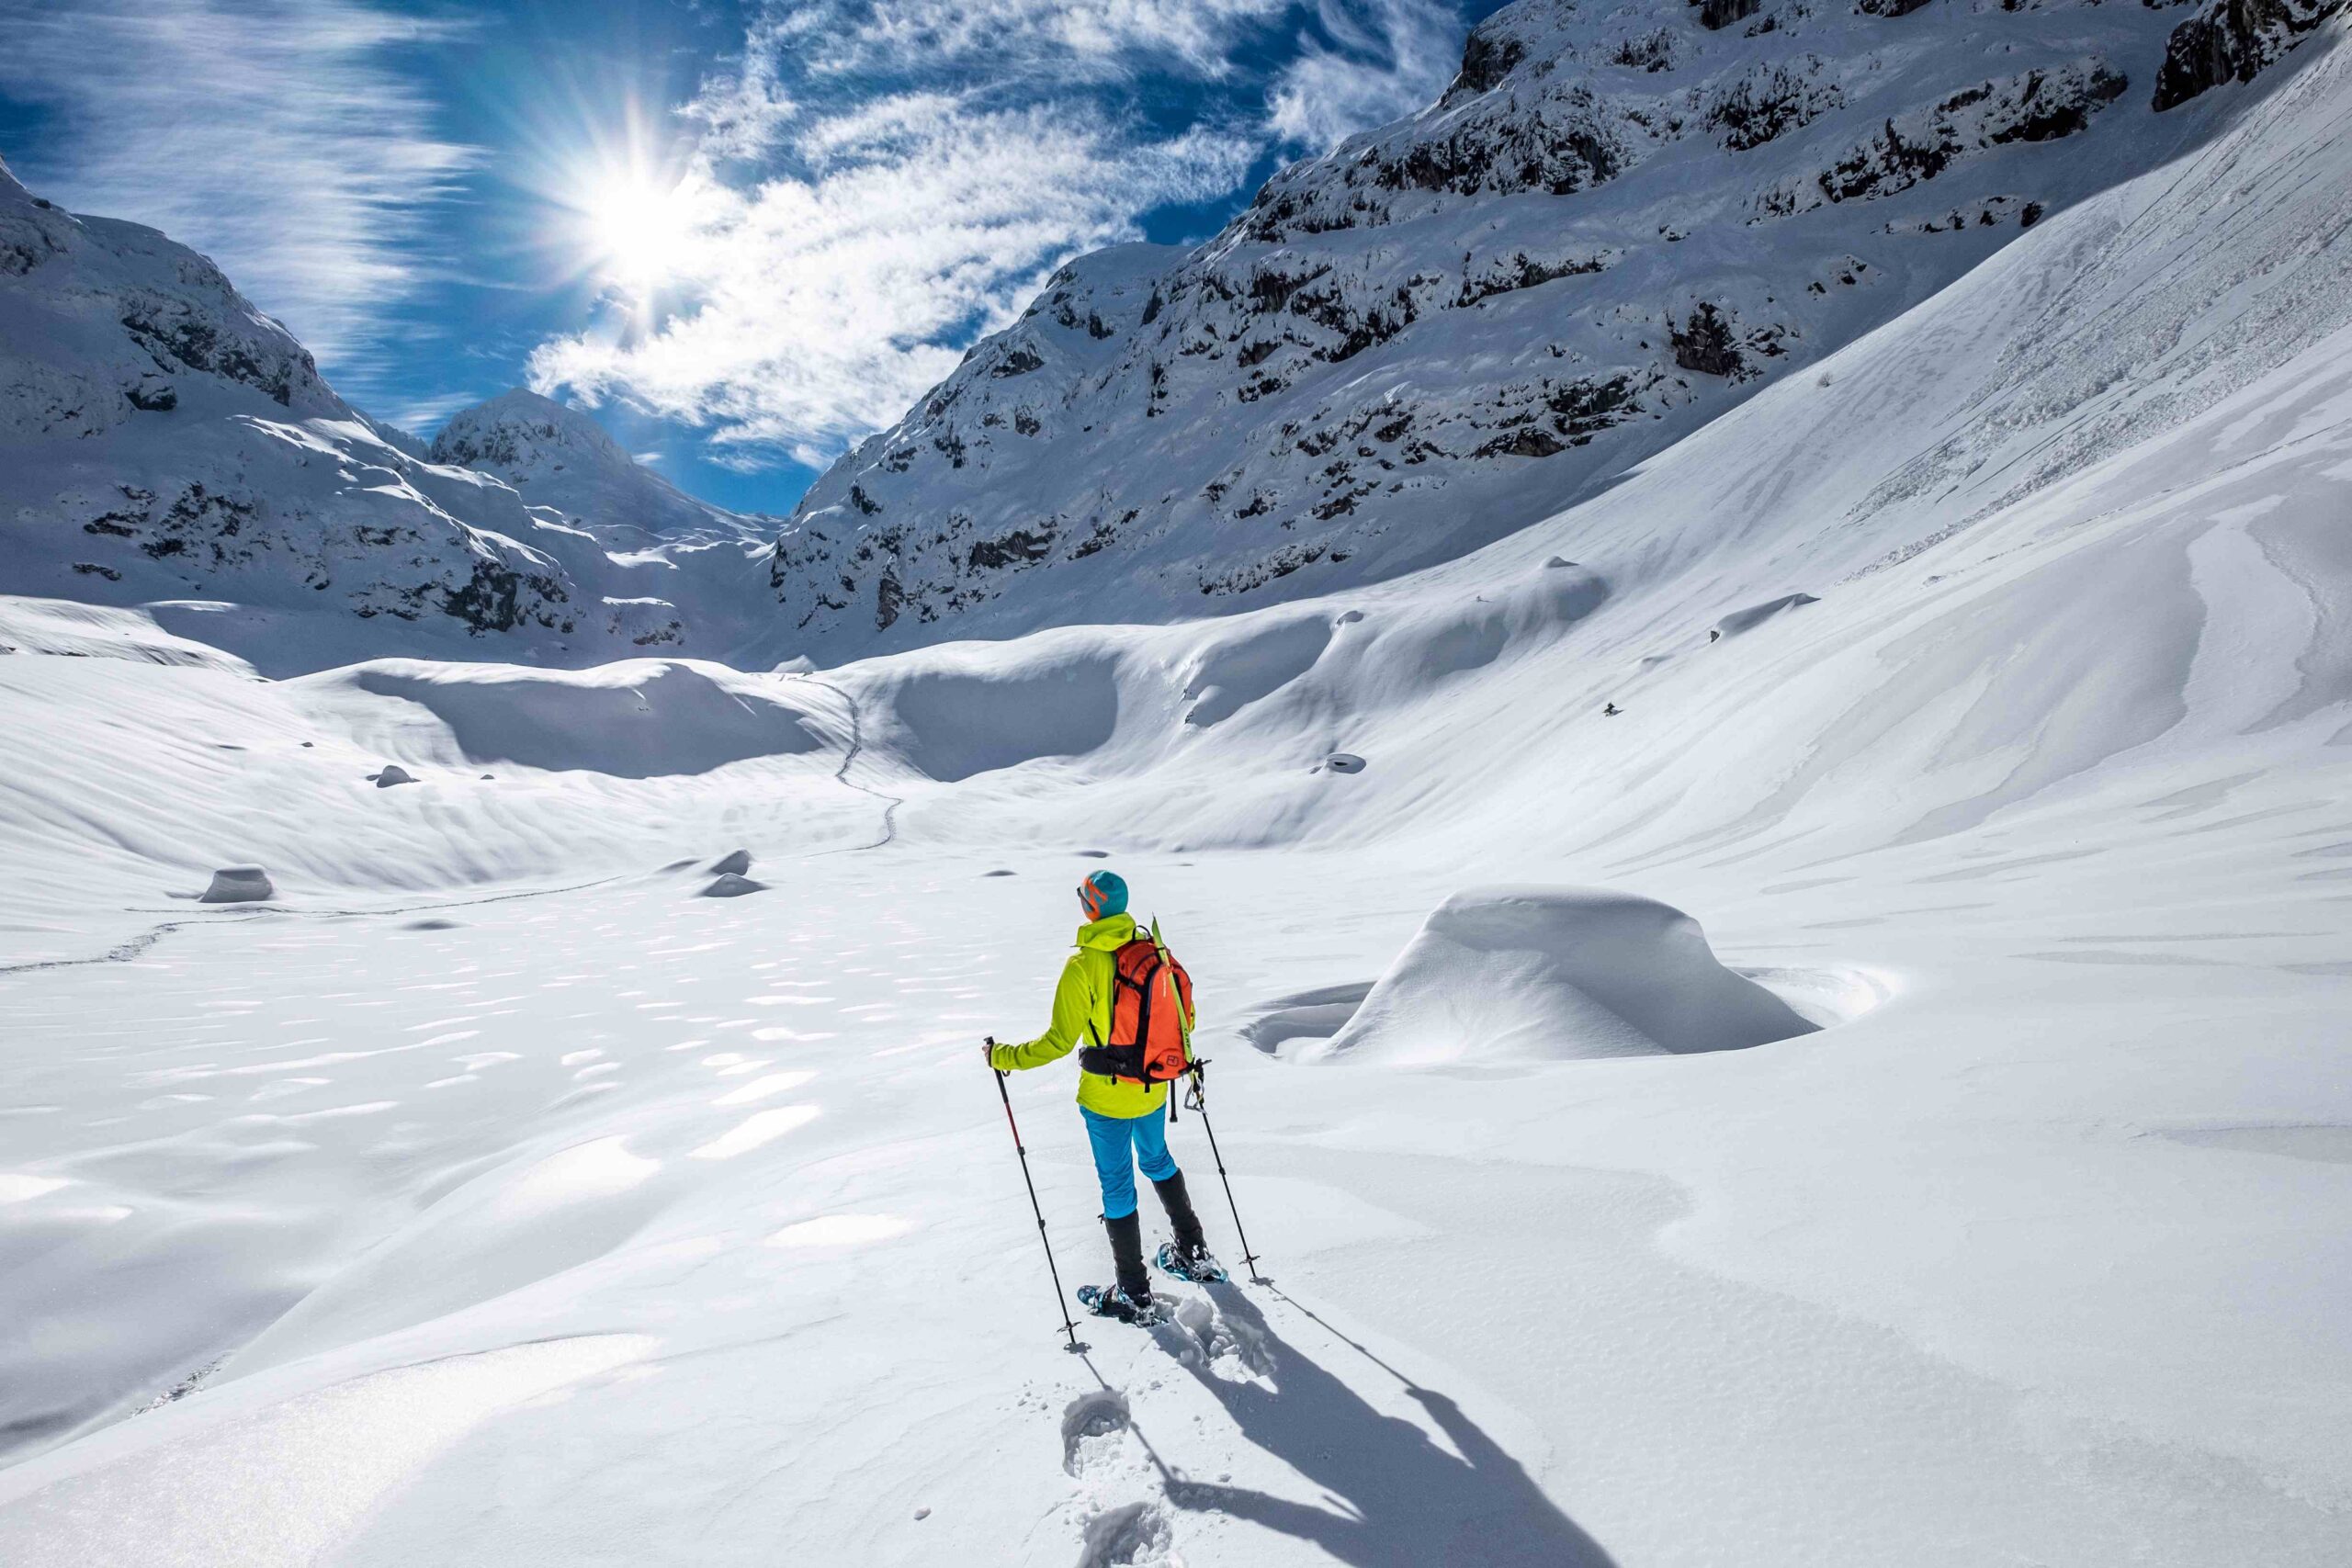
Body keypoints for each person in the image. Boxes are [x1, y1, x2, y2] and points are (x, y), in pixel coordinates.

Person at [987, 870, 1219, 1322]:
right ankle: (1194, 1251)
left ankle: (1134, 1292)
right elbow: (1185, 1020)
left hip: (1105, 1099)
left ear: (1091, 907)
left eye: (1082, 896)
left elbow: (1057, 1042)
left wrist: (1003, 1057)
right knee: (1156, 1160)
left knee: (1117, 1186)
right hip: (1153, 1088)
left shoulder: (1084, 965)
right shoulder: (1154, 951)